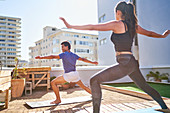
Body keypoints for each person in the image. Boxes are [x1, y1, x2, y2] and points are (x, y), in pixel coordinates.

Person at [59, 1, 170, 113]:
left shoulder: (118, 24)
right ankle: (165, 108)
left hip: (125, 63)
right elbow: (150, 33)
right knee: (144, 86)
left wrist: (71, 26)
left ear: (118, 12)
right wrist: (162, 35)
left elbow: (93, 27)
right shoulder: (133, 26)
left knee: (94, 81)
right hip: (131, 62)